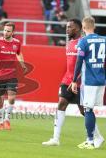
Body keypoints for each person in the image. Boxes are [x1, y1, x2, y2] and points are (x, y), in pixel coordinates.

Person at [42, 19, 104, 148]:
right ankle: (55, 139)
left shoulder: (83, 42)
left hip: (80, 82)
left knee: (84, 110)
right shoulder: (69, 42)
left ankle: (97, 137)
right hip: (67, 80)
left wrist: (76, 80)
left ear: (77, 28)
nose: (67, 29)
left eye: (69, 27)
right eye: (67, 27)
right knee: (61, 104)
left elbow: (83, 63)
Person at [71, 16, 105, 149]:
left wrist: (74, 80)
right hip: (101, 80)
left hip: (89, 81)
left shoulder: (83, 41)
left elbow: (79, 62)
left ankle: (90, 140)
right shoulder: (104, 40)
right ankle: (94, 138)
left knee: (88, 109)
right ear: (94, 26)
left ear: (83, 28)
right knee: (90, 109)